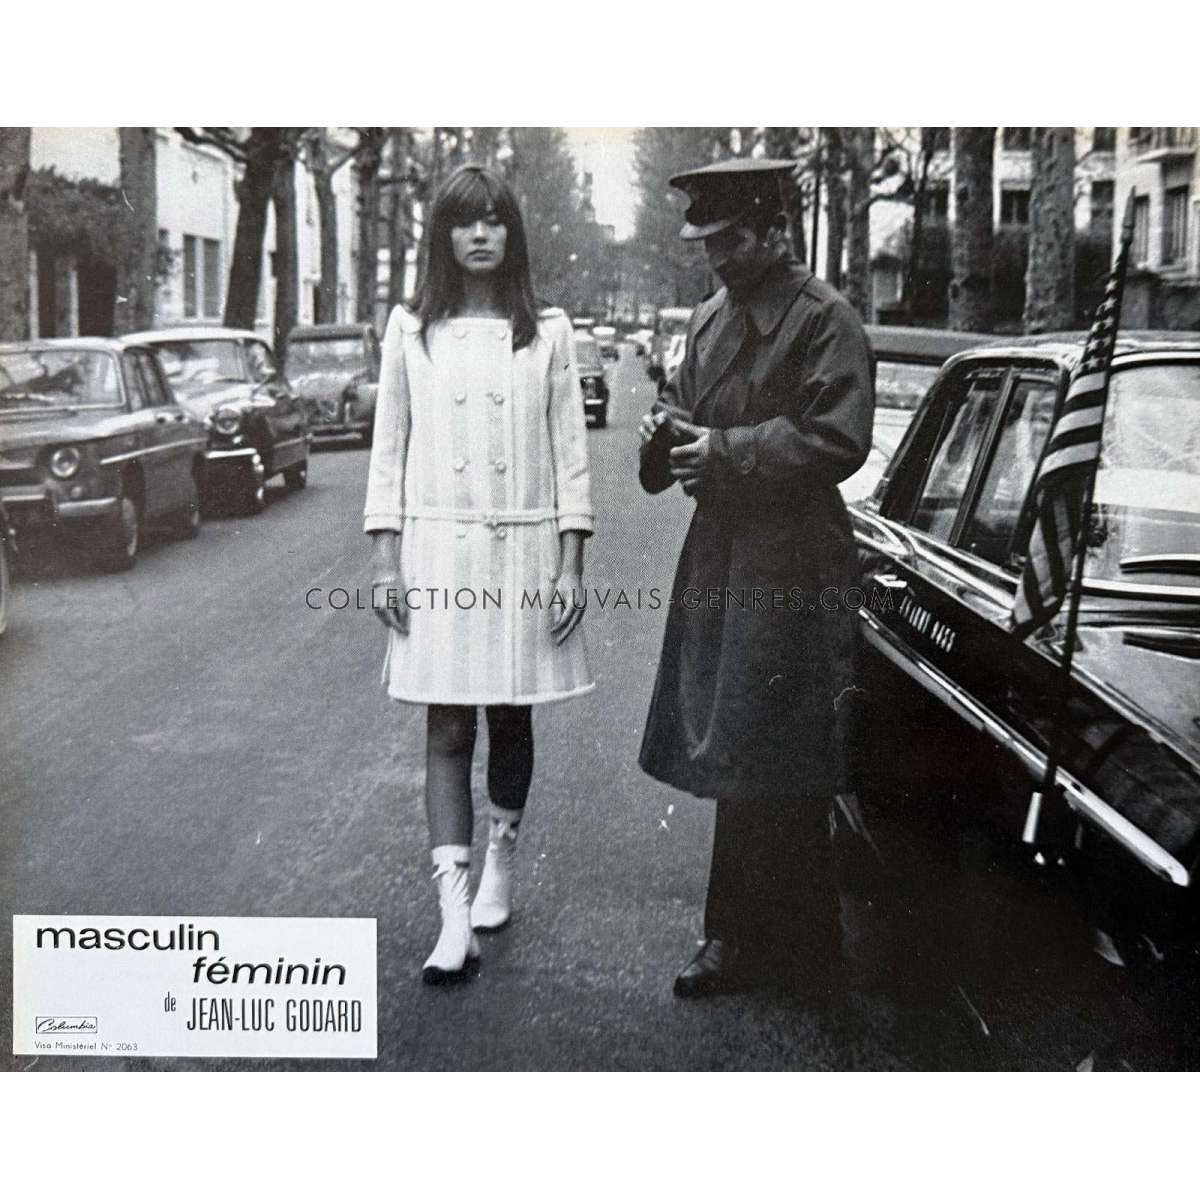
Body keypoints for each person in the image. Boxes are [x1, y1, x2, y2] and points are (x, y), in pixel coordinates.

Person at [637, 159, 875, 999]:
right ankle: (736, 938)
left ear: (775, 230)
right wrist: (664, 437)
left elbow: (839, 439)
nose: (716, 258)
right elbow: (682, 414)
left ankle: (800, 949)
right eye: (706, 243)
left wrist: (727, 451)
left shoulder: (825, 319)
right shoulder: (709, 318)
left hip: (795, 555)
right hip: (722, 550)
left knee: (787, 745)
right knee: (735, 739)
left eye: (731, 240)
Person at [364, 164, 594, 985]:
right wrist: (385, 559)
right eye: (465, 221)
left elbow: (571, 457)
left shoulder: (549, 332)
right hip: (439, 552)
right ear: (444, 236)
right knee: (447, 728)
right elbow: (388, 452)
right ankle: (452, 913)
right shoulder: (410, 330)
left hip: (522, 552)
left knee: (511, 716)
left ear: (513, 233)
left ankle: (501, 859)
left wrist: (570, 566)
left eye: (495, 219)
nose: (481, 234)